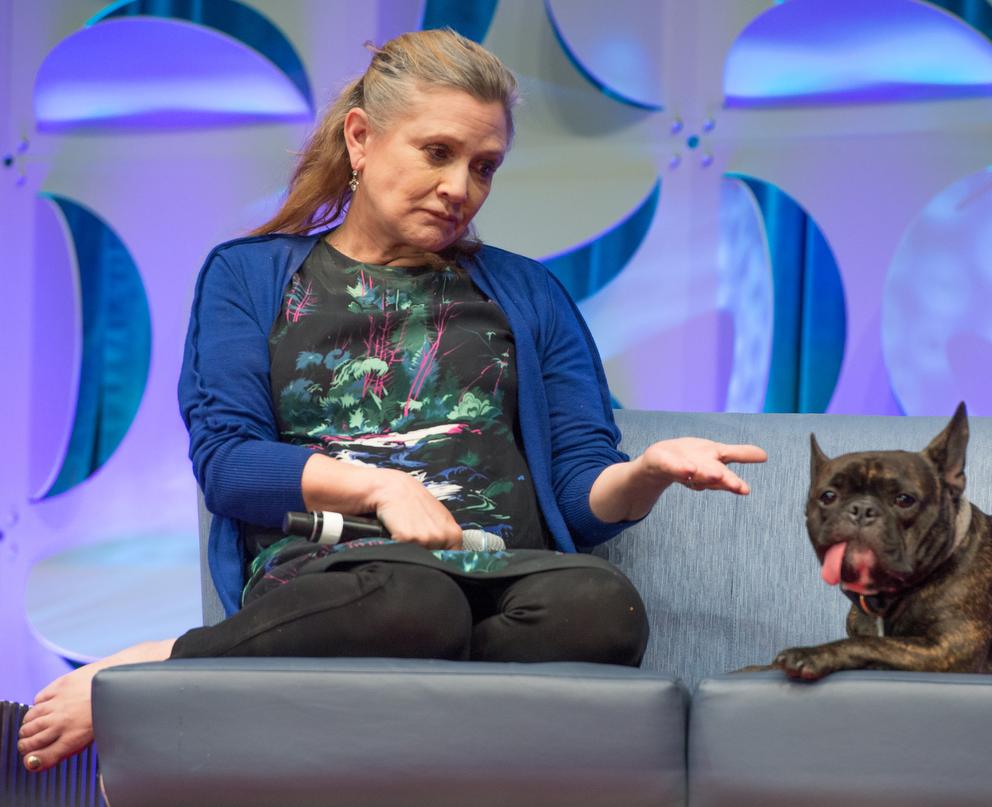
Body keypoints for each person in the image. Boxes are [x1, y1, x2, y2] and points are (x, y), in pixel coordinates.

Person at [16, 28, 766, 773]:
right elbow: (230, 464)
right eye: (437, 152)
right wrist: (382, 485)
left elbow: (575, 498)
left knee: (604, 606)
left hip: (496, 574)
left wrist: (648, 473)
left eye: (484, 167)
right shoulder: (248, 276)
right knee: (411, 601)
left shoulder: (528, 293)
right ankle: (161, 667)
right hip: (341, 575)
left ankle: (392, 693)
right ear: (361, 138)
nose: (459, 188)